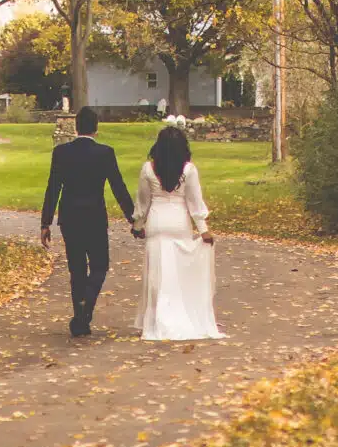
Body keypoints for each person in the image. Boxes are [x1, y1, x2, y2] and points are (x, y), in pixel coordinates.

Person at [39, 106, 138, 337]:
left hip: (70, 217)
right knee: (100, 265)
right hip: (94, 216)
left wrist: (46, 222)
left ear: (76, 127)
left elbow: (53, 188)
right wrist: (132, 218)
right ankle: (86, 305)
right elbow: (118, 187)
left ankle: (80, 319)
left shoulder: (61, 152)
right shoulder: (105, 153)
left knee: (77, 269)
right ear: (96, 128)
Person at [133, 123, 223, 341]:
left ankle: (157, 320)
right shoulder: (188, 170)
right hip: (179, 222)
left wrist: (137, 225)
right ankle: (177, 314)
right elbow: (194, 202)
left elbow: (143, 202)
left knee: (157, 274)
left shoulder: (148, 169)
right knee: (176, 272)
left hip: (157, 221)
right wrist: (203, 229)